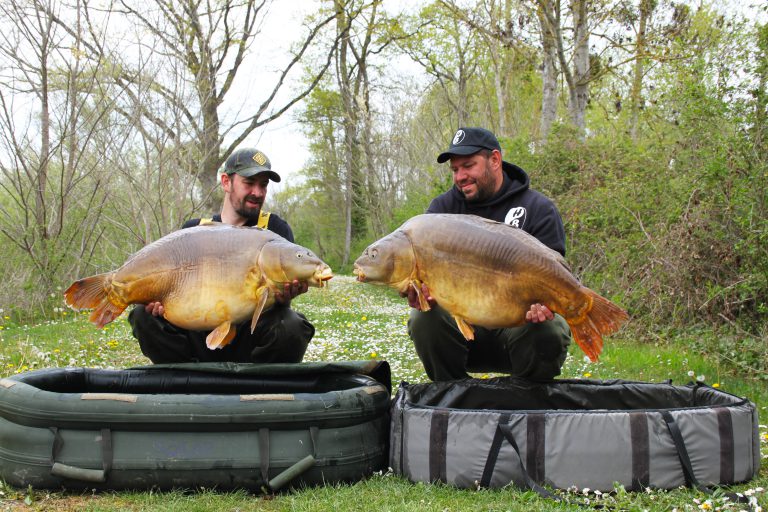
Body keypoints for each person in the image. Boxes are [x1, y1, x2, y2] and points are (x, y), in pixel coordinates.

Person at [405, 127, 572, 381]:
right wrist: (417, 292)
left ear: (495, 160)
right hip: (464, 335)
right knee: (422, 319)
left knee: (550, 327)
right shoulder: (442, 211)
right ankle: (451, 395)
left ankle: (529, 398)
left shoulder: (538, 209)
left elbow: (556, 275)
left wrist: (546, 305)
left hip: (519, 332)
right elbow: (416, 271)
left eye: (468, 166)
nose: (460, 176)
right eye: (455, 170)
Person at [128, 147, 315, 364]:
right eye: (249, 183)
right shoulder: (193, 229)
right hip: (197, 333)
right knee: (143, 316)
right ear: (226, 182)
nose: (258, 192)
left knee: (292, 325)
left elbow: (278, 307)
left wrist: (286, 297)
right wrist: (158, 305)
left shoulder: (275, 229)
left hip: (251, 335)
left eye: (263, 185)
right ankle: (187, 380)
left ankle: (261, 387)